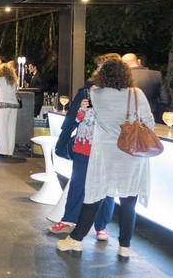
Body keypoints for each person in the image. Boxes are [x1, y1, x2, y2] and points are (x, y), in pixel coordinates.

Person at [57, 59, 154, 259]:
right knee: (129, 202)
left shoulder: (96, 94)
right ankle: (124, 247)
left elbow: (86, 119)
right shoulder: (137, 94)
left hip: (105, 155)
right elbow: (149, 123)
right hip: (131, 156)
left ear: (103, 75)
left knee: (95, 196)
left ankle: (76, 240)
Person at [50, 53, 119, 238]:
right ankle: (68, 220)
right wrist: (81, 110)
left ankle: (101, 226)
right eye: (98, 66)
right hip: (84, 143)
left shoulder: (121, 94)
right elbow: (78, 117)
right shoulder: (89, 88)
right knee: (78, 183)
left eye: (102, 66)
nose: (98, 70)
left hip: (106, 147)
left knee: (106, 188)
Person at [122, 53, 171, 123]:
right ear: (139, 61)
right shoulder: (157, 75)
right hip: (152, 117)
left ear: (123, 65)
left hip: (127, 119)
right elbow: (166, 100)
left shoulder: (121, 78)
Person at [0, 62, 19, 157]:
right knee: (11, 129)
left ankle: (3, 150)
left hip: (3, 104)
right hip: (14, 105)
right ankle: (10, 151)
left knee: (3, 128)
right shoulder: (14, 80)